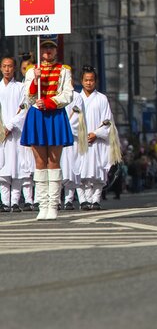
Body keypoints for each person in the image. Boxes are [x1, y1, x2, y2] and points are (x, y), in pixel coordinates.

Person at [20, 35, 75, 221]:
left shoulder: (64, 70)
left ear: (56, 50)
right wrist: (35, 80)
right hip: (37, 115)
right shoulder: (31, 71)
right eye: (44, 48)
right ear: (39, 51)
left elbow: (68, 95)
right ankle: (41, 204)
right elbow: (28, 97)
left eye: (51, 48)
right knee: (39, 162)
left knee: (53, 161)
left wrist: (51, 102)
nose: (48, 51)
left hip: (54, 114)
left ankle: (53, 204)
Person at [78, 66, 115, 211]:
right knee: (81, 172)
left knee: (98, 172)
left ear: (96, 81)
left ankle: (96, 199)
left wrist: (96, 133)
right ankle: (84, 200)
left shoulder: (102, 99)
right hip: (80, 141)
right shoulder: (76, 98)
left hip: (98, 141)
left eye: (91, 80)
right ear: (81, 81)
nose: (89, 83)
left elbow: (108, 121)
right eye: (86, 80)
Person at [1, 56, 28, 213]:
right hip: (1, 134)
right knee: (3, 170)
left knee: (17, 168)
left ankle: (15, 201)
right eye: (4, 66)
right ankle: (5, 202)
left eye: (10, 66)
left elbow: (24, 109)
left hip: (16, 132)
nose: (7, 69)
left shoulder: (20, 88)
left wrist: (10, 125)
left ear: (15, 69)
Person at [61, 87, 86, 210]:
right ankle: (54, 200)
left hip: (70, 137)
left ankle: (69, 200)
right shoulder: (53, 94)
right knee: (57, 169)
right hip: (56, 136)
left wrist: (64, 128)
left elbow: (77, 116)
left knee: (71, 169)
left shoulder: (76, 96)